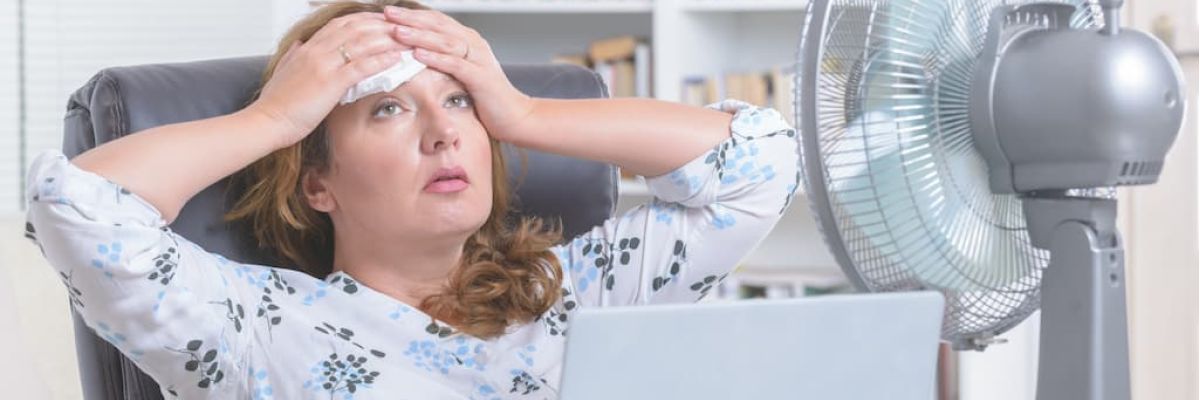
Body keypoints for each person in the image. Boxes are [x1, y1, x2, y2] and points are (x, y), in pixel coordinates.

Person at [23, 0, 799, 398]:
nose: (444, 134)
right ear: (314, 181)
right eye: (388, 109)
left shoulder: (581, 292)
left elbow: (762, 164)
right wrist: (276, 117)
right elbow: (77, 207)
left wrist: (520, 110)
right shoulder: (254, 326)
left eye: (458, 102)